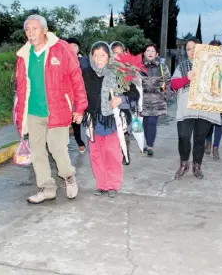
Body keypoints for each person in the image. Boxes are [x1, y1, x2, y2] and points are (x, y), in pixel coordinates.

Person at [15, 15, 88, 204]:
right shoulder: (24, 55)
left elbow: (76, 78)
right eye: (28, 30)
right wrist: (19, 113)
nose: (31, 33)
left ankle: (68, 177)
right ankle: (47, 188)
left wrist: (79, 107)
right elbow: (22, 86)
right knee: (37, 151)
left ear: (45, 30)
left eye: (35, 29)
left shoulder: (61, 48)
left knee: (57, 149)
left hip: (58, 109)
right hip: (33, 111)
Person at [82, 41, 140, 198]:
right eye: (96, 55)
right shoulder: (86, 74)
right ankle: (101, 185)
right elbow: (79, 94)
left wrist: (120, 100)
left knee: (112, 153)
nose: (99, 59)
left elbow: (135, 95)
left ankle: (113, 185)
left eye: (103, 55)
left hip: (113, 121)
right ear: (91, 57)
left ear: (109, 56)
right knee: (96, 154)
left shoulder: (119, 73)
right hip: (93, 121)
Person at [171, 37, 221, 179]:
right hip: (186, 109)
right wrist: (187, 78)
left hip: (205, 109)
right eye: (188, 49)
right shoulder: (182, 65)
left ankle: (197, 166)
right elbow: (173, 85)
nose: (191, 51)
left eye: (194, 48)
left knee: (200, 139)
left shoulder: (212, 64)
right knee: (183, 136)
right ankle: (184, 164)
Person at [141, 44, 172, 157]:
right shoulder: (139, 67)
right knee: (145, 123)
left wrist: (166, 96)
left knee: (152, 122)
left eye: (152, 51)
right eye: (148, 50)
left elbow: (169, 82)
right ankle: (148, 142)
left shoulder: (162, 67)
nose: (150, 53)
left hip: (157, 101)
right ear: (144, 53)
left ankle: (150, 145)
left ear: (156, 54)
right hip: (143, 101)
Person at [66, 37, 90, 154]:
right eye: (70, 45)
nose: (72, 47)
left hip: (83, 94)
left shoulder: (85, 61)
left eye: (75, 45)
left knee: (81, 119)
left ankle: (84, 140)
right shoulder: (62, 60)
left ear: (79, 48)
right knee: (71, 120)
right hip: (67, 96)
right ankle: (78, 142)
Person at [110, 41, 131, 166]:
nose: (117, 56)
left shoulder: (129, 69)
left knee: (124, 131)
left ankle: (125, 154)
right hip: (110, 107)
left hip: (124, 107)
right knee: (112, 133)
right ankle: (115, 155)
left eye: (120, 53)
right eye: (114, 53)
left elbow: (135, 92)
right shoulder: (107, 69)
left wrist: (122, 99)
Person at [205, 40, 222, 160]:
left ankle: (215, 147)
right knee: (208, 122)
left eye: (217, 49)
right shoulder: (206, 62)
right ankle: (207, 142)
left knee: (219, 123)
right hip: (208, 97)